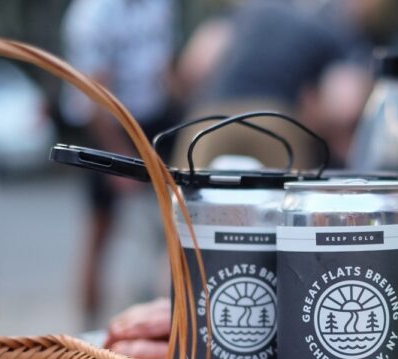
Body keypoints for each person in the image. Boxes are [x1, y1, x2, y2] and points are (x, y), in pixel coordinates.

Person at [61, 0, 179, 327]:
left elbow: (165, 69)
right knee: (100, 230)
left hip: (154, 121)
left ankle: (168, 316)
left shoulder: (159, 6)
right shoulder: (91, 16)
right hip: (106, 125)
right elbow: (96, 96)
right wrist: (119, 157)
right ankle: (86, 328)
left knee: (173, 224)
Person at [171, 0, 377, 169]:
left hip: (209, 119)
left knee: (184, 210)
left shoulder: (250, 11)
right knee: (282, 211)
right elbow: (344, 105)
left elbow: (195, 64)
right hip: (275, 124)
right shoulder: (335, 28)